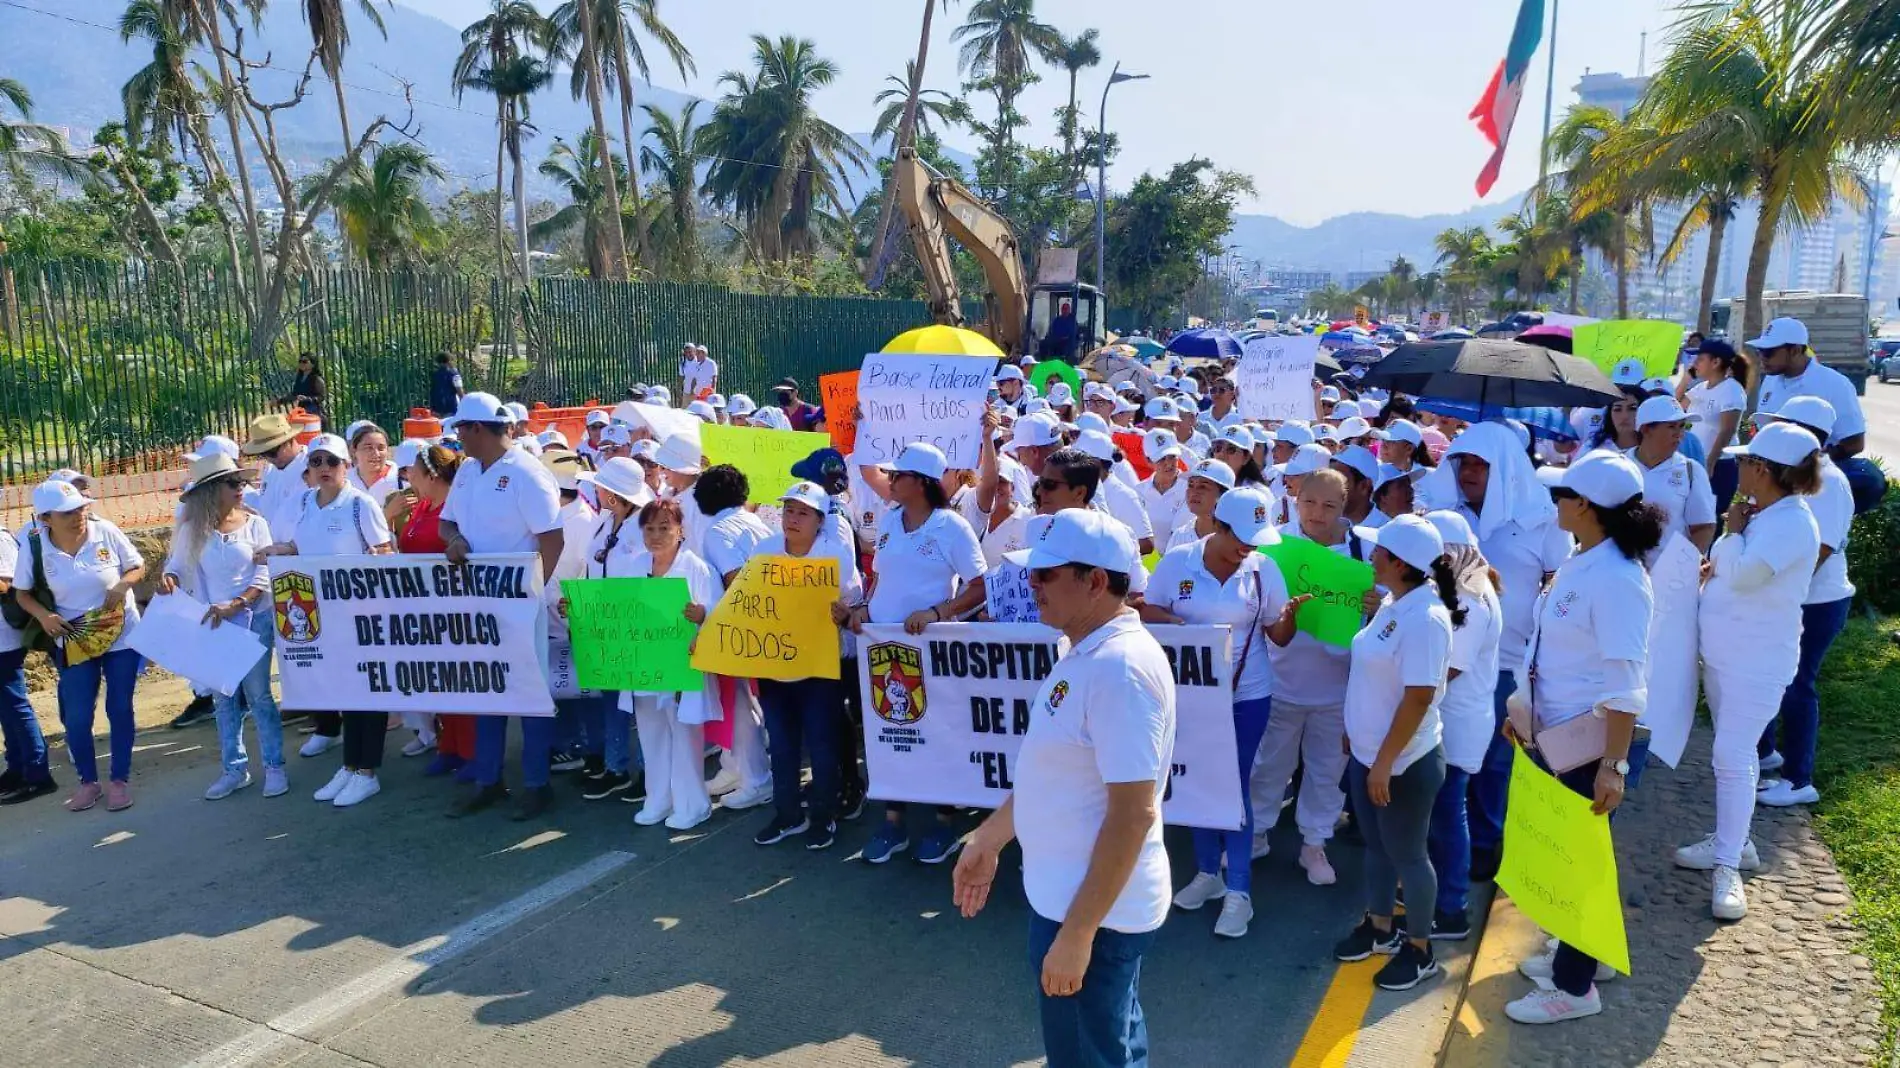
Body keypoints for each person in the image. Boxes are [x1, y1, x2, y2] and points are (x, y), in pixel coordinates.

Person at [953, 509, 1174, 1068]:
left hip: (1092, 915)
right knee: (1112, 1040)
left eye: (1046, 575)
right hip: (1078, 905)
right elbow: (1051, 774)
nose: (1032, 585)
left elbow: (1132, 815)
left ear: (1096, 582)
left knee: (1088, 1055)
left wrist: (1077, 936)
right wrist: (990, 837)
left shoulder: (1119, 669)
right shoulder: (1087, 650)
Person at [1506, 451, 1660, 1025]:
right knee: (1572, 857)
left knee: (1579, 862)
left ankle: (1574, 989)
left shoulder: (1619, 579)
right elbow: (1550, 649)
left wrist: (1612, 767)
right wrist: (1522, 709)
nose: (1555, 504)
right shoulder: (1583, 557)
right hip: (1555, 735)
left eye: (1561, 495)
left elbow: (1625, 683)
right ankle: (1587, 956)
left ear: (1587, 506)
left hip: (1589, 745)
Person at [1670, 421, 1823, 920]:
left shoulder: (1793, 522)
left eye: (1746, 460)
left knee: (1731, 756)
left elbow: (1744, 573)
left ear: (1765, 470)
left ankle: (1728, 866)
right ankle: (1735, 842)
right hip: (1726, 656)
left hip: (1757, 663)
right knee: (1736, 756)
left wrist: (1731, 536)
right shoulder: (1765, 514)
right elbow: (1726, 572)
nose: (1738, 466)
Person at [1426, 422, 1571, 882]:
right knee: (1439, 756)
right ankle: (1443, 845)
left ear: (1505, 469)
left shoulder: (1541, 520)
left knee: (1491, 758)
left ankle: (1487, 841)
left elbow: (1559, 581)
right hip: (1435, 654)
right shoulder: (1442, 514)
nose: (1468, 472)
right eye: (1462, 462)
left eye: (1479, 464)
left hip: (1507, 659)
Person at [1145, 486, 1290, 940]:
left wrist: (1291, 615)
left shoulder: (1264, 568)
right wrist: (1186, 631)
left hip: (1248, 695)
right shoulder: (1178, 561)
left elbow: (1279, 636)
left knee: (1233, 786)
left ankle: (1239, 893)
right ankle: (1209, 874)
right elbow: (1149, 609)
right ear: (1218, 526)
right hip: (1190, 696)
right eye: (1241, 537)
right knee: (1192, 781)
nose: (1249, 547)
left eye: (1255, 538)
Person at [844, 443, 989, 864]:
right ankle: (893, 821)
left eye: (898, 476)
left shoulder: (951, 527)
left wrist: (937, 612)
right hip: (883, 649)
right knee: (890, 732)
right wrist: (862, 610)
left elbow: (979, 584)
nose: (889, 482)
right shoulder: (889, 522)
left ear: (921, 483)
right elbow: (883, 581)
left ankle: (943, 823)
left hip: (932, 650)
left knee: (937, 732)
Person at [1331, 514, 1458, 991]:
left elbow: (1419, 697)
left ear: (1398, 561)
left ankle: (1420, 949)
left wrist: (1383, 761)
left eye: (1377, 550)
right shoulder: (1394, 602)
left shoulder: (1425, 618)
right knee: (1377, 848)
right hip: (1370, 754)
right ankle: (1380, 927)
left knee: (1407, 854)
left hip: (1404, 762)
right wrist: (1356, 732)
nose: (1370, 556)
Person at [436, 393, 567, 820]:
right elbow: (446, 521)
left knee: (529, 695)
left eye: (460, 429)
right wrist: (453, 539)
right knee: (487, 690)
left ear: (476, 429)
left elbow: (552, 538)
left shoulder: (527, 473)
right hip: (476, 602)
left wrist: (530, 595)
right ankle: (488, 779)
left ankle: (537, 784)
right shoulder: (469, 472)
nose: (457, 436)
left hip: (519, 606)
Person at [256, 433, 396, 806]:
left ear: (345, 466)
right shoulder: (303, 502)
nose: (322, 469)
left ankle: (367, 772)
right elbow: (298, 546)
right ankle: (351, 765)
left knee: (367, 692)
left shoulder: (360, 505)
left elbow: (384, 553)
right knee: (343, 690)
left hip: (358, 616)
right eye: (315, 462)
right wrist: (277, 550)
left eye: (330, 462)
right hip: (320, 617)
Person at [1252, 469, 1369, 884]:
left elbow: (1390, 606)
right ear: (1295, 498)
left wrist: (1376, 602)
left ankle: (1314, 845)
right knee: (1268, 765)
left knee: (1326, 772)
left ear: (1346, 505)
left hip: (1338, 688)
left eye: (1329, 505)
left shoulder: (1364, 550)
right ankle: (1257, 833)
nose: (1317, 513)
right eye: (1309, 502)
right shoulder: (1274, 545)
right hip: (1281, 680)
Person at [14, 479, 146, 813]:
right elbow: (22, 594)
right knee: (75, 717)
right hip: (73, 639)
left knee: (119, 708)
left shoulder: (106, 531)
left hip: (121, 634)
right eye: (67, 513)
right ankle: (89, 783)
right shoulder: (34, 546)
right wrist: (45, 617)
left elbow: (137, 566)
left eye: (80, 508)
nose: (78, 516)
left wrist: (122, 585)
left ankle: (119, 781)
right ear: (46, 519)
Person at [1747, 399, 1854, 809]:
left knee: (1797, 685)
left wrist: (1777, 590)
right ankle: (1767, 753)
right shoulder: (1798, 478)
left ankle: (1798, 778)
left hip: (1816, 601)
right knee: (1775, 678)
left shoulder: (1829, 482)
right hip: (1797, 598)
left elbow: (1820, 549)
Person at [161, 454, 284, 802]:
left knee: (259, 696)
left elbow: (264, 572)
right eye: (233, 483)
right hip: (212, 622)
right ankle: (235, 769)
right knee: (224, 699)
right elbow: (178, 565)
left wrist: (239, 602)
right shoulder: (191, 530)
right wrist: (169, 579)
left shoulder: (255, 524)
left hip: (252, 618)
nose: (241, 488)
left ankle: (274, 765)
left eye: (241, 482)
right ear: (212, 490)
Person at [749, 480, 864, 850]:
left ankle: (824, 815)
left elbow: (854, 603)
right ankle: (787, 815)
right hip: (774, 663)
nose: (792, 519)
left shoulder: (836, 555)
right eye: (788, 511)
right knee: (781, 745)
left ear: (819, 520)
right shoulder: (764, 551)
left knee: (822, 743)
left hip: (820, 667)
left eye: (802, 513)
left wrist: (843, 614)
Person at [1421, 510, 1502, 942]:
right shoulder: (1465, 587)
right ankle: (1437, 895)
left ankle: (1450, 907)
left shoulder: (1470, 598)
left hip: (1456, 725)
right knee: (1442, 814)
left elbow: (1444, 670)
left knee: (1447, 816)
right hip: (1453, 720)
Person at [619, 499, 724, 830]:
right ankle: (658, 799)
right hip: (645, 665)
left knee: (684, 734)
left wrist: (702, 615)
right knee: (650, 734)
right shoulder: (635, 567)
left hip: (683, 666)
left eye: (665, 527)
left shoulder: (698, 568)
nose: (656, 535)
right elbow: (617, 613)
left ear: (681, 531)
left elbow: (719, 615)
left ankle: (693, 803)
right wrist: (578, 609)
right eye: (649, 528)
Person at [562, 457, 652, 801]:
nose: (595, 490)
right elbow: (591, 569)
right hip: (602, 626)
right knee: (612, 700)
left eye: (600, 486)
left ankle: (647, 771)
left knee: (639, 704)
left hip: (631, 626)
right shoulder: (603, 522)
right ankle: (616, 767)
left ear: (613, 494)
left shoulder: (642, 527)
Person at [695, 464, 775, 812]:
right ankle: (734, 767)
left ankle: (756, 779)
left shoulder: (717, 530)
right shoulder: (757, 522)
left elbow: (735, 580)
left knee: (739, 704)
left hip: (738, 627)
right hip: (765, 623)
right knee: (742, 702)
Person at [397, 443, 477, 779]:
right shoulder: (424, 507)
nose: (408, 476)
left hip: (453, 608)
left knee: (463, 682)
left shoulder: (454, 510)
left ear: (430, 475)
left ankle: (472, 753)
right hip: (424, 610)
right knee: (442, 681)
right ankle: (449, 746)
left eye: (413, 471)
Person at [1752, 317, 1866, 461]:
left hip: (1813, 480)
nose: (1762, 358)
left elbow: (1854, 443)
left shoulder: (1836, 384)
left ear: (1795, 350)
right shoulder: (1770, 380)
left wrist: (1808, 466)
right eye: (1759, 351)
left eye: (1768, 352)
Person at [0, 513, 54, 806]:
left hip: (4, 639)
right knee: (6, 708)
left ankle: (37, 774)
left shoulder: (1, 538)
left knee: (15, 704)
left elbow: (10, 584)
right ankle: (17, 767)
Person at [1627, 396, 1718, 556]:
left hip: (1668, 577)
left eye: (1682, 426)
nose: (1679, 434)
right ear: (1646, 429)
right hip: (1622, 573)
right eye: (1671, 426)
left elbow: (1703, 527)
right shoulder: (1618, 465)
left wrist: (1679, 570)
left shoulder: (1692, 470)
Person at [1677, 338, 1749, 516]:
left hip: (1719, 465)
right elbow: (1676, 406)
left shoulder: (1731, 389)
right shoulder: (1700, 388)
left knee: (1711, 517)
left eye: (1700, 359)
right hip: (1695, 462)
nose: (1695, 364)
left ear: (1716, 362)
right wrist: (1686, 379)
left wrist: (1711, 462)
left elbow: (1728, 429)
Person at [241, 413, 311, 545]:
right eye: (263, 454)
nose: (269, 458)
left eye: (272, 452)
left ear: (289, 441)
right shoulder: (270, 470)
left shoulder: (313, 466)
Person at [1163, 459, 1235, 552]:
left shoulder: (1239, 538)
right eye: (1190, 485)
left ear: (1224, 495)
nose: (1193, 492)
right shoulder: (1180, 536)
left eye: (1203, 487)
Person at [345, 421, 400, 507]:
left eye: (381, 448)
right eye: (368, 448)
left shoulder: (401, 479)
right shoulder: (344, 482)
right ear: (353, 451)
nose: (376, 454)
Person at [277, 351, 327, 422]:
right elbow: (294, 394)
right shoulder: (299, 378)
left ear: (313, 364)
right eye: (300, 361)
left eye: (305, 361)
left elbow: (321, 397)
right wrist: (280, 401)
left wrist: (308, 399)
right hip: (302, 412)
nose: (301, 363)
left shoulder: (317, 379)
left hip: (314, 414)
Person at [430, 351, 465, 418]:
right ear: (449, 361)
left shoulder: (435, 374)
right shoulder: (455, 374)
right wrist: (464, 404)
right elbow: (459, 390)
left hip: (436, 407)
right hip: (451, 407)